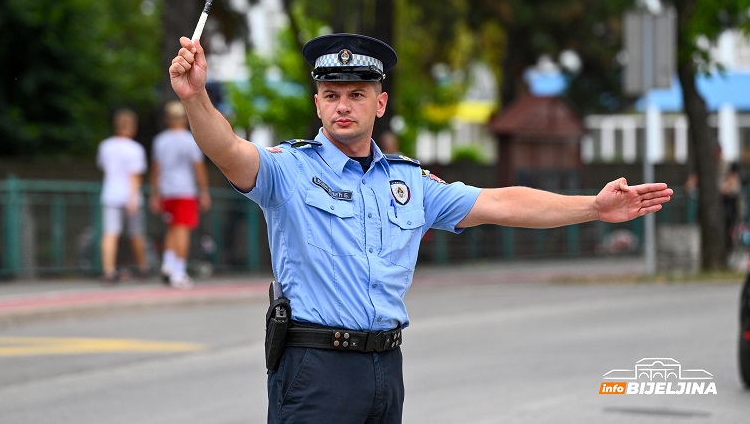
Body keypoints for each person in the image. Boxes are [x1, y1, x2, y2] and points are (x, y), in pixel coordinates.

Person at [168, 32, 673, 423]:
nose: (343, 105)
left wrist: (593, 207)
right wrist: (195, 99)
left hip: (386, 366)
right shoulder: (288, 170)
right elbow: (226, 149)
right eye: (331, 94)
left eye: (357, 94)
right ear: (317, 103)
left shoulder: (408, 183)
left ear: (380, 103)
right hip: (315, 367)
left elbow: (500, 201)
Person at [150, 100, 212, 289]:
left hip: (167, 191)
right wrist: (203, 191)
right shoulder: (190, 139)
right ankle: (179, 271)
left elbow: (156, 169)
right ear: (184, 118)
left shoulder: (160, 140)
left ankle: (168, 264)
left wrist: (154, 193)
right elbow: (198, 168)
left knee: (172, 227)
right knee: (182, 229)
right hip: (185, 190)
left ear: (168, 119)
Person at [96, 108, 149, 283]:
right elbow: (135, 176)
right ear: (132, 127)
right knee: (136, 234)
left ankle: (109, 270)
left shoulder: (105, 146)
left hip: (111, 194)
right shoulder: (135, 149)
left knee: (110, 233)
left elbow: (103, 167)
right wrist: (133, 198)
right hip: (130, 197)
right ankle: (142, 268)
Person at [686, 143, 743, 264]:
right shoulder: (708, 165)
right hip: (714, 201)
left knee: (728, 225)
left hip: (728, 202)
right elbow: (693, 180)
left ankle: (727, 252)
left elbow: (732, 183)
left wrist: (719, 189)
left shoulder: (729, 163)